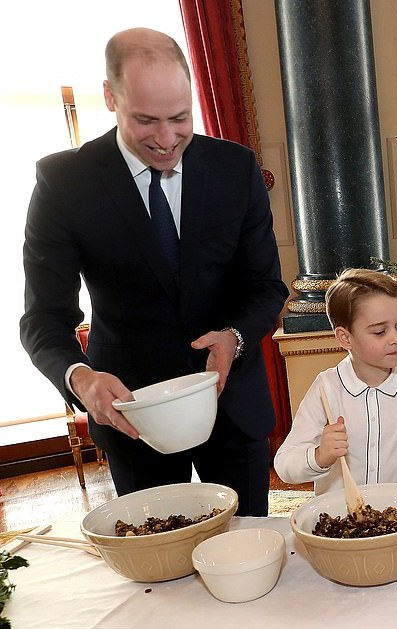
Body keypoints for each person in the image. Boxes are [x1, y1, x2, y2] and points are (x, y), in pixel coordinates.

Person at [20, 28, 289, 516]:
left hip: (232, 410)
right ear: (110, 97)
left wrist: (235, 337)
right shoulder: (64, 183)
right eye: (146, 121)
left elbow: (266, 288)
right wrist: (81, 379)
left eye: (180, 118)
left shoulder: (236, 169)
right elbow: (41, 320)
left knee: (250, 566)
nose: (167, 140)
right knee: (159, 576)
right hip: (132, 418)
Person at [274, 268, 397, 497]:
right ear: (345, 338)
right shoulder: (326, 388)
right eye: (379, 331)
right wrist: (320, 455)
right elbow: (285, 464)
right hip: (341, 523)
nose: (396, 338)